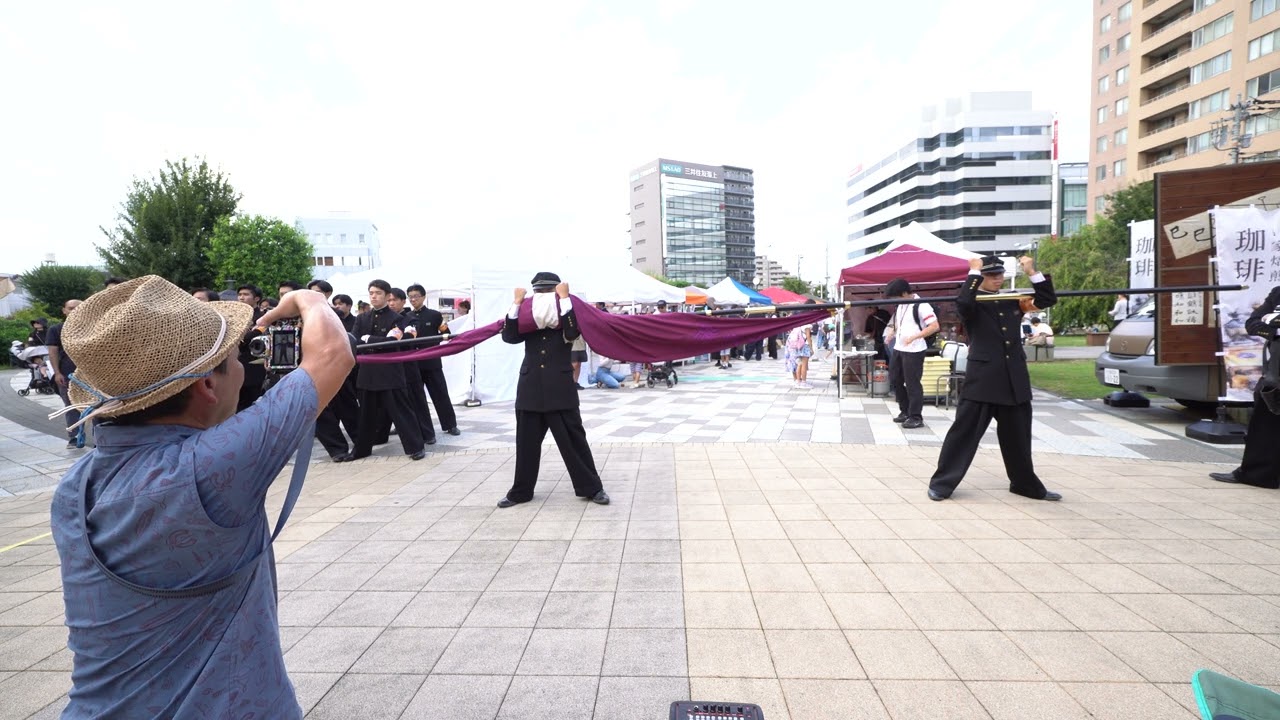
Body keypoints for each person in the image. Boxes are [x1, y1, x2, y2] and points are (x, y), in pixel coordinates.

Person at [51, 276, 353, 717]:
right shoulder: (211, 466)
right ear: (206, 387)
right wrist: (309, 298)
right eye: (234, 359)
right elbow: (331, 355)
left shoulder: (72, 488)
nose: (244, 369)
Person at [927, 255, 1062, 502]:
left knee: (1018, 437)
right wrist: (974, 273)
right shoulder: (973, 300)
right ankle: (942, 483)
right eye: (991, 275)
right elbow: (963, 305)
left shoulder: (1014, 301)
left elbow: (1047, 300)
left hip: (1013, 378)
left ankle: (1025, 484)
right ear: (980, 279)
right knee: (964, 434)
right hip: (983, 379)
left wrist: (1032, 271)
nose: (998, 279)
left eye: (999, 274)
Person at [498, 272, 608, 507]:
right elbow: (509, 336)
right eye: (539, 292)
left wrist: (565, 299)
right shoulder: (527, 317)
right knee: (525, 444)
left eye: (547, 292)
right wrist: (517, 303)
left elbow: (571, 333)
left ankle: (592, 488)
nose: (542, 297)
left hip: (559, 387)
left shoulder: (566, 312)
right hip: (530, 388)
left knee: (574, 441)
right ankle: (521, 492)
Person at [341, 280, 427, 461]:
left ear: (388, 296)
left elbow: (392, 342)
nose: (374, 296)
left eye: (378, 293)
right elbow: (355, 342)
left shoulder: (397, 319)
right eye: (371, 292)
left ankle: (415, 447)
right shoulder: (362, 318)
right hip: (367, 373)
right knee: (365, 415)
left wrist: (368, 339)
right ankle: (361, 450)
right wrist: (371, 340)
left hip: (390, 372)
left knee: (402, 412)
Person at [1210, 285, 1280, 489]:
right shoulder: (1277, 293)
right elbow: (1253, 323)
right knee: (1266, 418)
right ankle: (1258, 473)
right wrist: (1274, 329)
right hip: (1277, 370)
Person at [883, 278, 938, 429]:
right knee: (895, 379)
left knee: (912, 383)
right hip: (899, 348)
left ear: (905, 293)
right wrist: (891, 334)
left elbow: (934, 326)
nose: (895, 300)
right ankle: (905, 411)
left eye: (896, 296)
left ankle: (915, 416)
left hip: (914, 349)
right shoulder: (901, 304)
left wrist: (915, 337)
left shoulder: (922, 305)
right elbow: (899, 323)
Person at [406, 284, 461, 436]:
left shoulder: (435, 315)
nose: (413, 299)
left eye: (416, 296)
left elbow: (446, 333)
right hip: (413, 363)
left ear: (423, 297)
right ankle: (424, 430)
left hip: (432, 362)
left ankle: (450, 425)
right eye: (410, 297)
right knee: (417, 399)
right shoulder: (406, 317)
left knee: (440, 394)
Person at [46, 299, 83, 449]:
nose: (74, 310)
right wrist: (57, 372)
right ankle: (74, 437)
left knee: (96, 405)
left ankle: (98, 438)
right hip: (67, 373)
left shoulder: (92, 327)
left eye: (78, 308)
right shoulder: (56, 330)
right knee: (70, 406)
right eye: (70, 308)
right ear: (64, 310)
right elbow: (52, 352)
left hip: (91, 374)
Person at [235, 285, 267, 411]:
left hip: (254, 364)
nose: (241, 297)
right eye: (240, 294)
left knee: (251, 404)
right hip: (236, 363)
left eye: (246, 294)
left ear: (257, 299)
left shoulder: (262, 317)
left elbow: (249, 337)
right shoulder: (235, 316)